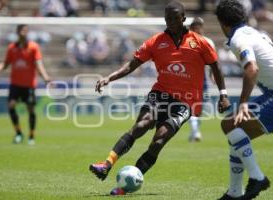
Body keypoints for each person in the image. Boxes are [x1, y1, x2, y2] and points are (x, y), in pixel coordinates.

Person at [89, 1, 231, 195]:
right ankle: (106, 164)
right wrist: (109, 78)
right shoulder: (156, 41)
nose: (171, 22)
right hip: (161, 93)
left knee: (159, 140)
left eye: (175, 18)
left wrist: (223, 95)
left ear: (183, 18)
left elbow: (216, 66)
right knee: (141, 125)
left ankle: (125, 188)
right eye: (168, 18)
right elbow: (132, 64)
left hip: (185, 102)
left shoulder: (200, 42)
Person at [215, 1, 273, 199]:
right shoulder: (254, 32)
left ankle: (258, 178)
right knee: (236, 132)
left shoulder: (239, 38)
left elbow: (252, 68)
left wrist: (243, 102)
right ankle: (234, 192)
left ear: (223, 23)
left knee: (230, 126)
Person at [0, 24, 51, 145]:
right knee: (11, 106)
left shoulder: (33, 47)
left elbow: (38, 64)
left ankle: (31, 135)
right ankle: (18, 133)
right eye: (22, 30)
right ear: (18, 32)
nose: (24, 33)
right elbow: (5, 65)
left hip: (29, 85)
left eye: (26, 30)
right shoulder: (12, 48)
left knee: (30, 109)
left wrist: (45, 77)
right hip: (15, 84)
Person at [188, 17, 216, 142]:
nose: (199, 28)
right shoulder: (190, 41)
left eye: (200, 26)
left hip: (199, 79)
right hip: (191, 79)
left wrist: (212, 75)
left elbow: (213, 62)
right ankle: (195, 131)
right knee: (193, 107)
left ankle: (195, 131)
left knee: (196, 107)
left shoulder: (207, 41)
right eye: (196, 26)